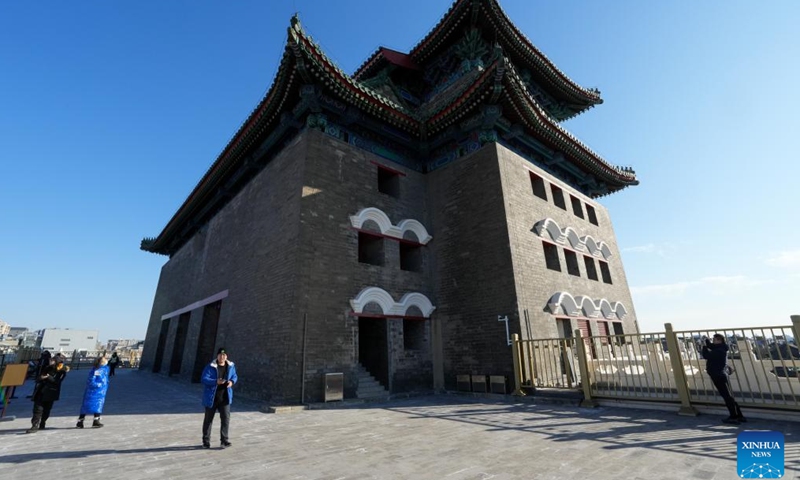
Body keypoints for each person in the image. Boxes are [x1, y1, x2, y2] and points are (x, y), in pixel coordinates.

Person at [702, 334, 746, 424]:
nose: (713, 341)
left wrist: (703, 347)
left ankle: (733, 416)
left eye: (714, 339)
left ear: (719, 340)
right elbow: (711, 346)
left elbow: (706, 355)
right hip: (721, 375)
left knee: (727, 397)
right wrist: (706, 341)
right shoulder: (721, 348)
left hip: (718, 375)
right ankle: (739, 416)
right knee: (729, 396)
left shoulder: (719, 351)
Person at [201, 347, 238, 449]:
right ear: (217, 356)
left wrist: (232, 382)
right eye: (220, 355)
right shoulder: (210, 366)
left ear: (226, 356)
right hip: (212, 398)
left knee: (226, 419)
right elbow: (204, 379)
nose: (222, 357)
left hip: (225, 398)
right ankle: (206, 441)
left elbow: (234, 376)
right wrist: (215, 382)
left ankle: (224, 440)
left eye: (224, 355)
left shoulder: (230, 366)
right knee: (208, 420)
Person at [26, 353, 69, 433]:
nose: (50, 361)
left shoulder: (61, 371)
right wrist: (40, 378)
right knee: (37, 409)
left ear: (56, 361)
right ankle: (34, 425)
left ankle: (43, 422)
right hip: (41, 390)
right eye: (50, 360)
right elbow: (39, 377)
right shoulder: (46, 368)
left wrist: (48, 377)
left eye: (52, 360)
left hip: (51, 392)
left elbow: (57, 382)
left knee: (47, 409)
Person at [76, 355, 110, 428]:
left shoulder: (103, 369)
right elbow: (91, 380)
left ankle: (96, 420)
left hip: (100, 392)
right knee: (87, 405)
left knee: (98, 405)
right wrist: (99, 385)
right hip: (94, 391)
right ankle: (81, 421)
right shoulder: (96, 370)